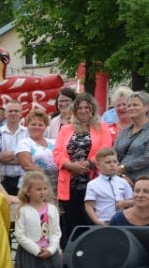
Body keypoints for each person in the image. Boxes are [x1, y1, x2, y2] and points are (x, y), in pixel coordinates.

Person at [53, 93, 113, 248]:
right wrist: (70, 166)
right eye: (79, 108)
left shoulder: (103, 128)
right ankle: (71, 262)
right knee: (72, 226)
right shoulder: (66, 129)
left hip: (93, 182)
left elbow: (104, 151)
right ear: (75, 110)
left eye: (87, 107)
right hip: (69, 184)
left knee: (91, 224)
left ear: (92, 109)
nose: (83, 110)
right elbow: (57, 152)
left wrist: (85, 165)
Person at [13, 171, 62, 268]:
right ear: (28, 191)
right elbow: (20, 234)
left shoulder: (52, 209)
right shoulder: (23, 211)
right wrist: (36, 249)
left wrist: (51, 249)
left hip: (49, 252)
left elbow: (56, 232)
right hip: (31, 254)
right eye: (38, 189)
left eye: (45, 189)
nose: (43, 192)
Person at [84, 148, 133, 226]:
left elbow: (132, 200)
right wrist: (97, 221)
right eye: (108, 162)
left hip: (122, 221)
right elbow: (89, 206)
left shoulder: (123, 182)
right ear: (98, 165)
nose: (112, 165)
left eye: (115, 162)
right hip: (104, 221)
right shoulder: (93, 184)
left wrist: (125, 203)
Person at [15, 108, 58, 190]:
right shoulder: (24, 143)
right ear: (27, 125)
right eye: (33, 124)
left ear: (45, 127)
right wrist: (49, 178)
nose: (36, 127)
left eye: (40, 125)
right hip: (31, 187)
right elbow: (27, 166)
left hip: (55, 187)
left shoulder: (54, 142)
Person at [115, 91, 149, 183]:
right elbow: (115, 154)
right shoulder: (123, 132)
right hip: (120, 180)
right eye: (129, 106)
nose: (131, 108)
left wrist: (124, 168)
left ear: (146, 107)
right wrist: (120, 173)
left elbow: (147, 157)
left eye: (135, 105)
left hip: (143, 182)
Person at [0, 100, 28, 195]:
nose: (13, 113)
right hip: (3, 180)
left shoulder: (28, 132)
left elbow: (28, 158)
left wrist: (7, 156)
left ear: (21, 114)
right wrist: (20, 154)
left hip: (24, 180)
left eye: (16, 111)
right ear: (5, 113)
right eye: (10, 111)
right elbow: (0, 157)